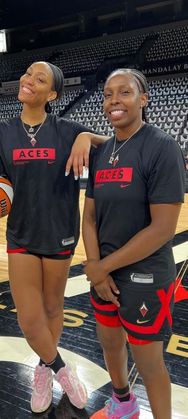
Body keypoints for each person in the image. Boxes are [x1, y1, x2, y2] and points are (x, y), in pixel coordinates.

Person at [0, 61, 107, 414]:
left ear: (52, 93)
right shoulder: (2, 133)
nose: (28, 80)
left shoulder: (68, 130)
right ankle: (61, 371)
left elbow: (114, 143)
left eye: (40, 79)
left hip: (59, 233)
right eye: (27, 74)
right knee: (28, 317)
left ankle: (41, 368)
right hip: (21, 234)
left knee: (53, 308)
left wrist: (88, 136)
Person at [82, 68, 186, 419]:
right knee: (110, 345)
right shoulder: (102, 152)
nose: (114, 100)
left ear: (143, 99)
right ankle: (124, 405)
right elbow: (90, 217)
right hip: (104, 276)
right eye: (109, 93)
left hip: (144, 275)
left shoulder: (162, 148)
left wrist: (100, 268)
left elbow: (162, 230)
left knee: (149, 363)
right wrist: (97, 271)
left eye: (124, 92)